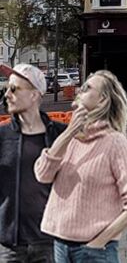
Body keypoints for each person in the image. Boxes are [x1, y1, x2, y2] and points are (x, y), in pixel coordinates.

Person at [35, 71, 127, 263]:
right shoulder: (70, 138)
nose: (79, 90)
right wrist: (69, 133)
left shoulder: (115, 143)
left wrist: (99, 241)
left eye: (87, 88)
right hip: (60, 245)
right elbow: (43, 175)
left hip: (94, 251)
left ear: (102, 100)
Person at [1, 65, 66, 263]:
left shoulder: (60, 134)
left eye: (14, 89)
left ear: (35, 95)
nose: (7, 95)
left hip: (50, 240)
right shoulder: (2, 136)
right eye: (6, 89)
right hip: (9, 245)